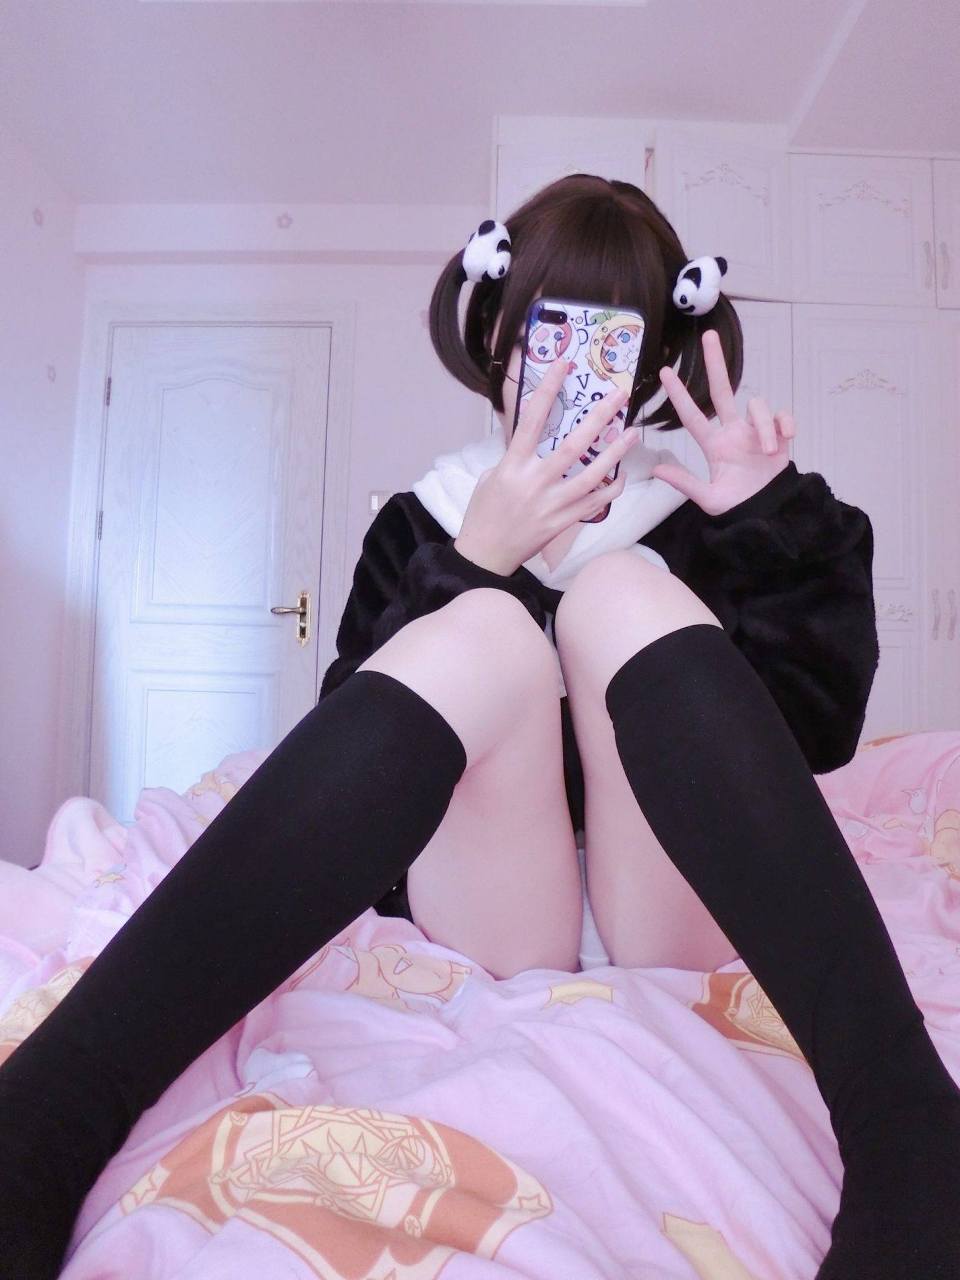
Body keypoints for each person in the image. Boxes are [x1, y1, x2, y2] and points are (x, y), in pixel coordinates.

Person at [0, 173, 957, 1278]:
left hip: (675, 902)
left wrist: (770, 513)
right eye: (551, 331)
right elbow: (358, 760)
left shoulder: (698, 510)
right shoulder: (425, 517)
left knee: (621, 593)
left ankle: (907, 1115)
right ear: (499, 333)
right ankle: (53, 1102)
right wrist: (474, 560)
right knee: (488, 630)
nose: (574, 371)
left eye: (612, 338)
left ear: (652, 359)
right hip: (494, 905)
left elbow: (815, 735)